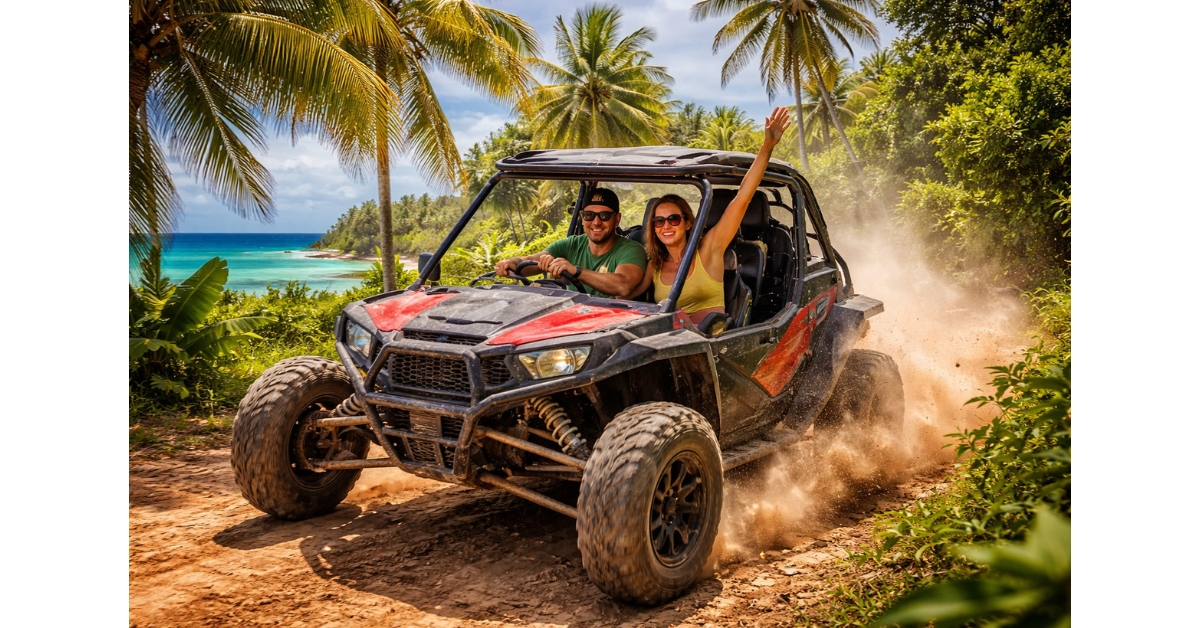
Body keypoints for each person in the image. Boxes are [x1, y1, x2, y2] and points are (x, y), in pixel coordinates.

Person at [629, 106, 791, 328]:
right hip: (666, 340)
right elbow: (626, 297)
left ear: (688, 223)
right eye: (659, 221)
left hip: (710, 340)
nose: (666, 226)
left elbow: (742, 200)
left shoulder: (709, 249)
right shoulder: (654, 266)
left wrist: (767, 146)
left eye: (673, 219)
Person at [494, 187, 647, 298]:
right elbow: (530, 261)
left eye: (604, 216)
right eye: (589, 215)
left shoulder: (631, 250)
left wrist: (576, 271)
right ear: (581, 217)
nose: (596, 222)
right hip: (571, 316)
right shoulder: (571, 244)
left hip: (612, 322)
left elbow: (623, 285)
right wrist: (511, 263)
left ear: (617, 219)